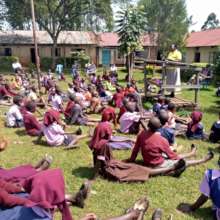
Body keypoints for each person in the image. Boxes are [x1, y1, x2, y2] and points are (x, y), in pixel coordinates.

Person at [126, 117, 213, 169]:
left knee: (171, 156)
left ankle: (191, 153)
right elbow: (172, 156)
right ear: (159, 128)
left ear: (148, 125)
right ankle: (202, 160)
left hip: (148, 161)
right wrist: (176, 157)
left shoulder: (141, 135)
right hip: (157, 165)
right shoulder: (161, 140)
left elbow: (135, 150)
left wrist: (131, 160)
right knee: (183, 162)